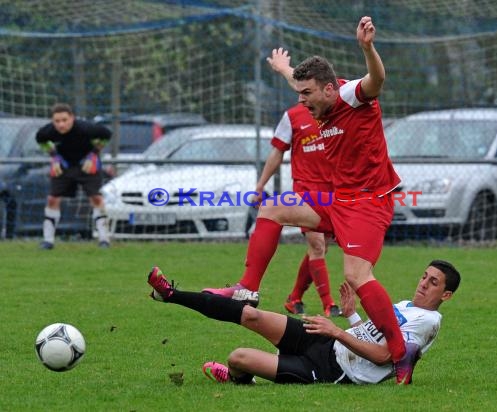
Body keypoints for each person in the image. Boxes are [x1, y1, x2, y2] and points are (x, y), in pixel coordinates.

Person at [200, 16, 412, 381]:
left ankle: (399, 354)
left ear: (330, 89)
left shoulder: (350, 96)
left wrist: (367, 48)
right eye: (299, 94)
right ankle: (247, 290)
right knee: (273, 206)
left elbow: (377, 80)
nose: (302, 102)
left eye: (307, 95)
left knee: (357, 274)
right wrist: (285, 69)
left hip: (367, 202)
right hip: (336, 199)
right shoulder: (319, 98)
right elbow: (303, 85)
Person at [147, 260, 460, 385]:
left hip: (333, 370)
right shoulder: (407, 305)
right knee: (250, 313)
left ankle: (238, 378)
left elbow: (386, 357)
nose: (423, 283)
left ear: (445, 295)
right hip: (327, 339)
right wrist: (351, 316)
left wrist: (337, 330)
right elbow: (375, 336)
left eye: (433, 282)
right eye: (423, 276)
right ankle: (171, 294)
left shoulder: (429, 322)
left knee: (237, 357)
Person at [255, 101, 340, 317]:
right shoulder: (292, 116)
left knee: (320, 249)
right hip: (305, 189)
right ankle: (329, 305)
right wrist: (260, 185)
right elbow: (276, 153)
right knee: (318, 245)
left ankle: (294, 298)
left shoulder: (336, 109)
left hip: (332, 189)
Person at [36, 103, 112, 249]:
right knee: (52, 199)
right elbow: (41, 141)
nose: (61, 124)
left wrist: (93, 155)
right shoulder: (47, 132)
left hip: (86, 165)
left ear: (72, 118)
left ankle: (104, 239)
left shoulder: (87, 128)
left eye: (64, 120)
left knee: (96, 198)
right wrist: (54, 157)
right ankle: (48, 241)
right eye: (57, 121)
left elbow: (106, 135)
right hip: (64, 166)